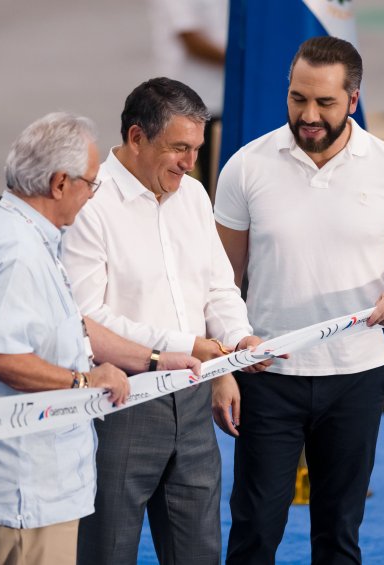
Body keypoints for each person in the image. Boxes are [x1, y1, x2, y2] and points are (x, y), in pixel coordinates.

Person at [0, 112, 200, 565]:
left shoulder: (21, 233)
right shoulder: (18, 252)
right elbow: (0, 356)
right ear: (59, 183)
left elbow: (73, 324)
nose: (92, 195)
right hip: (21, 495)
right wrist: (82, 382)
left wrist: (155, 359)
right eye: (90, 183)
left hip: (17, 486)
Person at [214, 37, 384, 564]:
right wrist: (224, 361)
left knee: (340, 533)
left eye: (324, 103)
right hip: (266, 374)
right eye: (298, 99)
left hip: (357, 375)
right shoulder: (245, 167)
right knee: (254, 530)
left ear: (354, 100)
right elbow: (221, 280)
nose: (308, 115)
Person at [61, 78, 271, 565]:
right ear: (136, 138)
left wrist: (237, 342)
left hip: (195, 404)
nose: (189, 162)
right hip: (121, 403)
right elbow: (87, 318)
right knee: (107, 551)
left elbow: (219, 287)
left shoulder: (194, 196)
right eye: (178, 148)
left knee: (198, 552)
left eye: (196, 148)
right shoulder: (91, 205)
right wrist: (187, 345)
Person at [145, 0, 227, 193]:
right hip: (186, 107)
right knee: (186, 188)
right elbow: (191, 40)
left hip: (227, 101)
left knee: (220, 188)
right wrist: (250, 61)